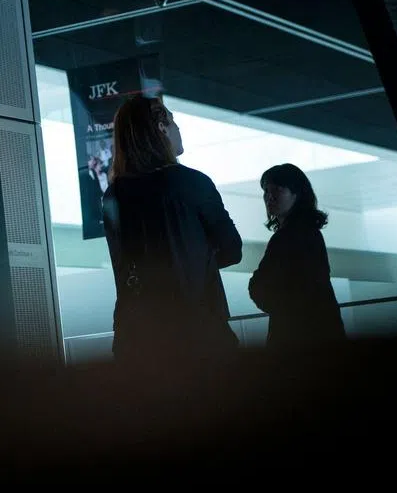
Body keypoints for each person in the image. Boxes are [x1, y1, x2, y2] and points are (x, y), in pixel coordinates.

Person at [101, 95, 243, 364]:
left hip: (137, 340)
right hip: (199, 333)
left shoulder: (114, 195)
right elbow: (232, 250)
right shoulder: (192, 182)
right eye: (174, 123)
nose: (179, 130)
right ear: (162, 128)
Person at [248, 164, 346, 350]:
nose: (269, 196)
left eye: (277, 189)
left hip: (298, 336)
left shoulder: (289, 236)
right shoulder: (308, 232)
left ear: (297, 193)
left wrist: (280, 308)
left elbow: (261, 285)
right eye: (266, 191)